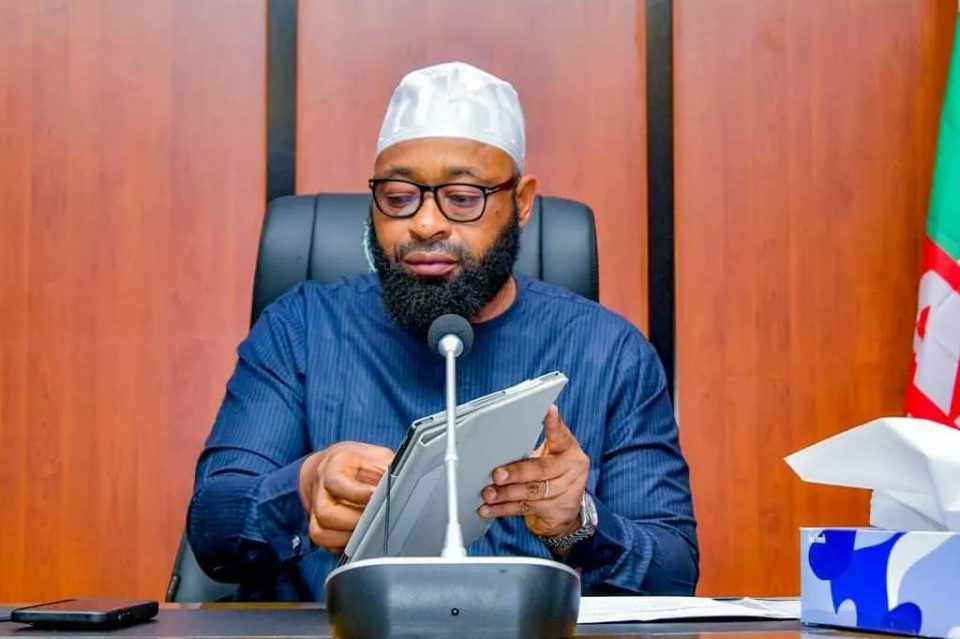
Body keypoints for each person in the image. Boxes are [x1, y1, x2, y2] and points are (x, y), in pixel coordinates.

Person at [188, 61, 698, 600]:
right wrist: (302, 488)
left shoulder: (608, 352)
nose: (426, 223)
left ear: (521, 203)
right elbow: (213, 529)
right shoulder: (302, 329)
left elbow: (673, 573)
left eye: (462, 198)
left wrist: (579, 522)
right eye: (398, 197)